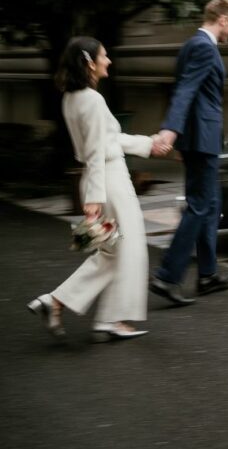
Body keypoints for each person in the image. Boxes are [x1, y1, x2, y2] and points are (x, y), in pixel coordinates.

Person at [27, 37, 172, 342]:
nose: (109, 61)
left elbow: (109, 141)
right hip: (109, 181)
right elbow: (96, 150)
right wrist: (93, 199)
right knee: (127, 250)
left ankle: (62, 304)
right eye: (104, 56)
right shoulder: (92, 100)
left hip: (100, 177)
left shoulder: (72, 98)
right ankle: (107, 318)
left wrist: (149, 143)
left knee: (111, 251)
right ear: (89, 62)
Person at [149, 0, 228, 306]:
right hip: (202, 139)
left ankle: (207, 274)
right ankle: (167, 276)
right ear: (223, 19)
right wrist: (171, 131)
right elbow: (186, 90)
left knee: (210, 204)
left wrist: (181, 137)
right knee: (200, 206)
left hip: (198, 138)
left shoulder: (191, 45)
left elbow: (184, 89)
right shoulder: (204, 47)